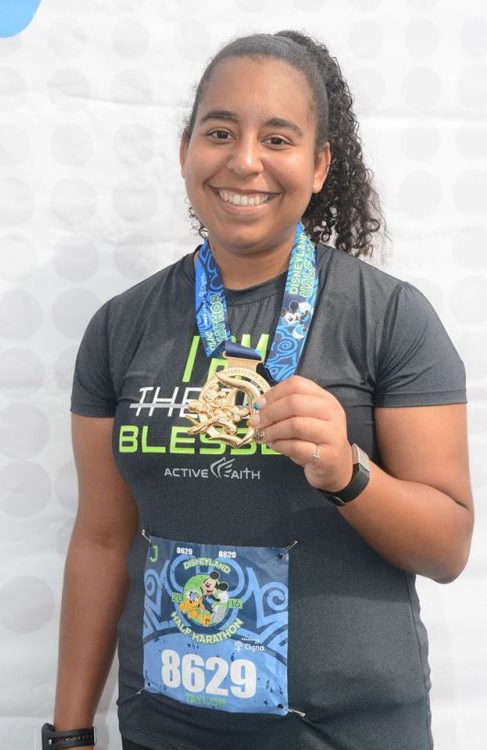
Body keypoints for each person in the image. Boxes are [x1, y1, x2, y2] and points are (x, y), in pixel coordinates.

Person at [44, 30, 474, 750]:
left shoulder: (388, 316)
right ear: (186, 149)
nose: (245, 160)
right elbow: (100, 539)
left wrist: (349, 472)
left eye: (278, 138)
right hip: (169, 729)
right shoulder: (121, 328)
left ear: (318, 165)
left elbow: (449, 547)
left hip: (347, 733)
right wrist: (70, 730)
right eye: (220, 132)